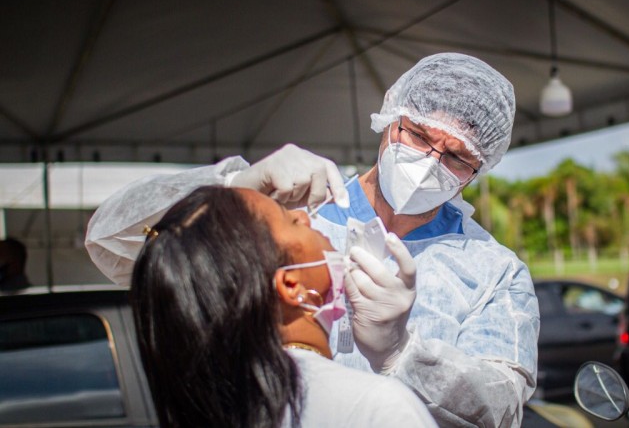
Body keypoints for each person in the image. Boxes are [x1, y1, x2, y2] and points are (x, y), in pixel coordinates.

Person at [87, 52, 540, 427]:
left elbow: (501, 409)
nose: (428, 162)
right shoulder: (294, 211)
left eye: (456, 157)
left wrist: (403, 352)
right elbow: (114, 244)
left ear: (479, 169)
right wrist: (233, 187)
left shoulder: (492, 271)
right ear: (390, 118)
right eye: (418, 135)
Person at [130, 185, 436, 427]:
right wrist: (397, 352)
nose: (305, 216)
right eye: (291, 219)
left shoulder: (214, 408)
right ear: (291, 285)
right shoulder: (377, 408)